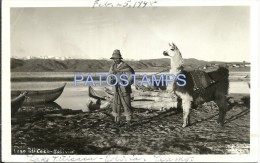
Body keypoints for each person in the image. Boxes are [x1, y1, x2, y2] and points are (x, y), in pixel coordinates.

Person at [108, 49, 135, 125]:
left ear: (120, 58)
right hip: (116, 88)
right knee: (116, 104)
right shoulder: (113, 67)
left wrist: (126, 83)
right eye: (114, 59)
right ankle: (117, 120)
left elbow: (131, 76)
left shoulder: (126, 67)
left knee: (126, 104)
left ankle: (129, 121)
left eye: (116, 58)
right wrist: (111, 80)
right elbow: (109, 75)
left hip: (124, 89)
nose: (115, 60)